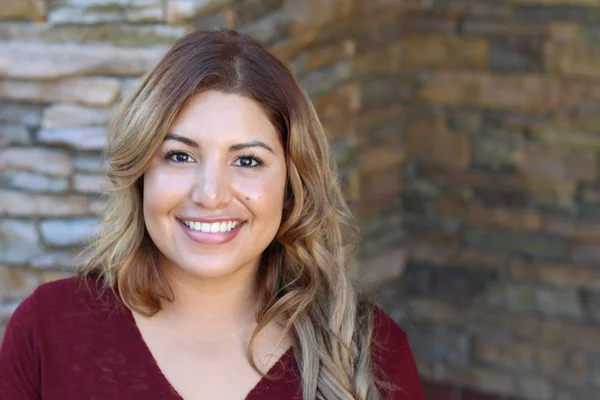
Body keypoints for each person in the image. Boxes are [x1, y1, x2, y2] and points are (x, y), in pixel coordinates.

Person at [0, 29, 424, 400]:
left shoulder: (367, 353)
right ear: (141, 172)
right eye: (180, 155)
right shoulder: (48, 331)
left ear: (292, 185)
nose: (211, 194)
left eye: (247, 161)